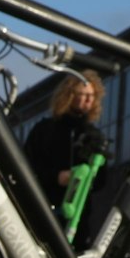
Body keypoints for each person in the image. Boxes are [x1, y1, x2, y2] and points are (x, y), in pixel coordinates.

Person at [22, 70, 109, 215]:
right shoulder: (44, 130)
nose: (88, 100)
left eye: (92, 96)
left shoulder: (95, 136)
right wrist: (56, 177)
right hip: (43, 208)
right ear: (70, 95)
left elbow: (101, 181)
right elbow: (27, 166)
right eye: (84, 94)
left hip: (77, 213)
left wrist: (86, 178)